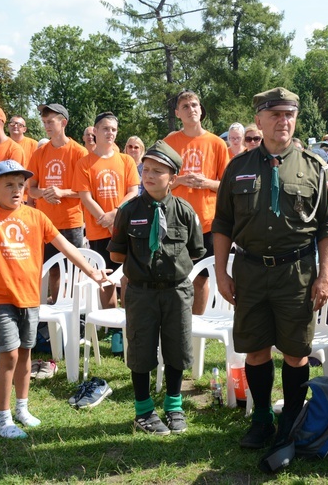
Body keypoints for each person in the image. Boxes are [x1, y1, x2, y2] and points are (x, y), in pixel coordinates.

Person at [0, 159, 110, 439]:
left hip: (30, 298)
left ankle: (22, 408)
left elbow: (67, 247)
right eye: (9, 185)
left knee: (25, 356)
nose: (17, 190)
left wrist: (92, 272)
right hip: (2, 299)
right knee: (8, 357)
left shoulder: (36, 216)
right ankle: (3, 419)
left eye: (21, 185)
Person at [212, 87, 328, 449]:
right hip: (250, 271)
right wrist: (222, 273)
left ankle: (291, 422)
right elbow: (221, 224)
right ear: (259, 120)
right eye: (275, 115)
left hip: (296, 273)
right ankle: (263, 418)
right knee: (255, 350)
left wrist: (325, 276)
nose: (283, 121)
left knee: (296, 352)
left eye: (289, 115)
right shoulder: (238, 167)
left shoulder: (315, 167)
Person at [108, 141, 205, 436]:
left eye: (157, 171)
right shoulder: (128, 211)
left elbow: (195, 250)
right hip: (141, 292)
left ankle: (174, 406)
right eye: (145, 169)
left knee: (177, 347)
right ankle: (143, 411)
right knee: (141, 349)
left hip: (176, 290)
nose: (149, 175)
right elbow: (117, 254)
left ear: (173, 178)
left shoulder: (185, 211)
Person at [164, 90, 230, 315]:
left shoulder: (216, 143)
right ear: (177, 113)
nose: (191, 109)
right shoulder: (169, 142)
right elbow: (159, 184)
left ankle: (196, 325)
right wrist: (180, 180)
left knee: (201, 277)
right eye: (185, 106)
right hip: (175, 221)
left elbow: (227, 186)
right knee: (173, 276)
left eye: (194, 105)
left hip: (206, 222)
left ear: (201, 110)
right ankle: (175, 320)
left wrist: (207, 183)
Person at [73, 112, 139, 309]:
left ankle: (128, 319)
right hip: (98, 228)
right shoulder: (85, 163)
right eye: (105, 128)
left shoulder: (126, 161)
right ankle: (111, 322)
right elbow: (85, 196)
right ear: (95, 131)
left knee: (128, 274)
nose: (110, 133)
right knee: (106, 275)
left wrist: (115, 214)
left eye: (113, 129)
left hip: (124, 227)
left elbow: (133, 191)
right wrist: (106, 218)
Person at [27, 103, 88, 299]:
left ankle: (76, 315)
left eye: (51, 121)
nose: (47, 126)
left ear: (64, 122)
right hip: (46, 223)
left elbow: (85, 192)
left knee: (74, 269)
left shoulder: (79, 152)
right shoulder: (39, 153)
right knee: (53, 270)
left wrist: (62, 193)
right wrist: (45, 192)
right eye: (44, 122)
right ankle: (55, 312)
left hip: (71, 222)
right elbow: (31, 189)